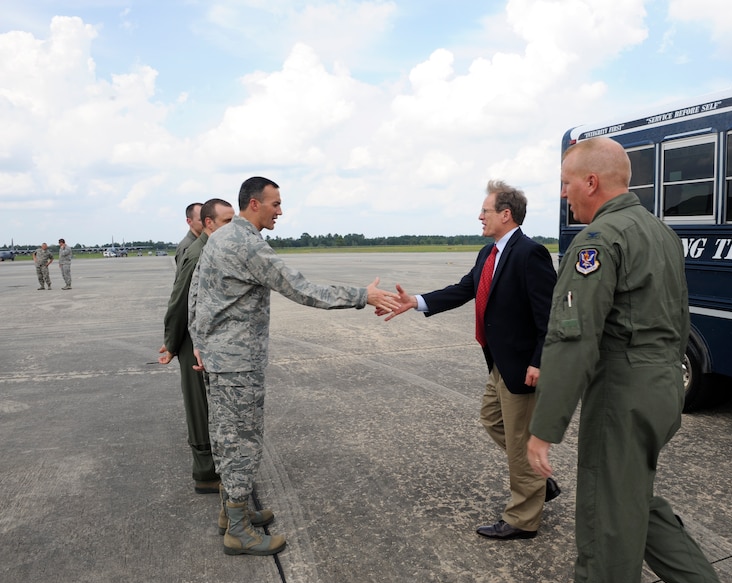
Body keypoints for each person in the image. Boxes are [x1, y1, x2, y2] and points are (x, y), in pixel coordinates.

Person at [527, 137, 723, 583]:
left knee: (605, 522)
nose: (563, 194)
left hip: (622, 391)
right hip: (663, 387)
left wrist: (545, 428)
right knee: (630, 499)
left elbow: (572, 338)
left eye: (566, 182)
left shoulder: (597, 240)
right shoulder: (661, 233)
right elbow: (681, 317)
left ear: (591, 182)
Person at [188, 176, 397, 557]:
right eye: (275, 204)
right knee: (242, 442)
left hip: (221, 359)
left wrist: (199, 341)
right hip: (238, 364)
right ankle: (237, 529)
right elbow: (300, 288)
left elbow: (195, 290)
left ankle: (230, 513)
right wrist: (361, 296)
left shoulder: (218, 237)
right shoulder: (246, 245)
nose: (280, 211)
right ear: (254, 204)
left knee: (225, 436)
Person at [385, 180, 558, 540]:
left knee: (518, 440)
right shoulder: (488, 253)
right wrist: (415, 301)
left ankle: (523, 518)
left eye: (486, 210)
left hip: (522, 367)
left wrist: (539, 361)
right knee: (492, 420)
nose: (480, 216)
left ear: (505, 214)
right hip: (498, 362)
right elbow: (465, 290)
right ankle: (538, 480)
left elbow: (550, 315)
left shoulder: (530, 254)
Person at [159, 199, 235, 495]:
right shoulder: (196, 252)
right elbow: (179, 301)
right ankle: (205, 472)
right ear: (207, 223)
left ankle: (215, 466)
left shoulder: (210, 248)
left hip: (207, 338)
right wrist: (172, 343)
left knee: (211, 406)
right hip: (193, 340)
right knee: (199, 405)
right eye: (227, 222)